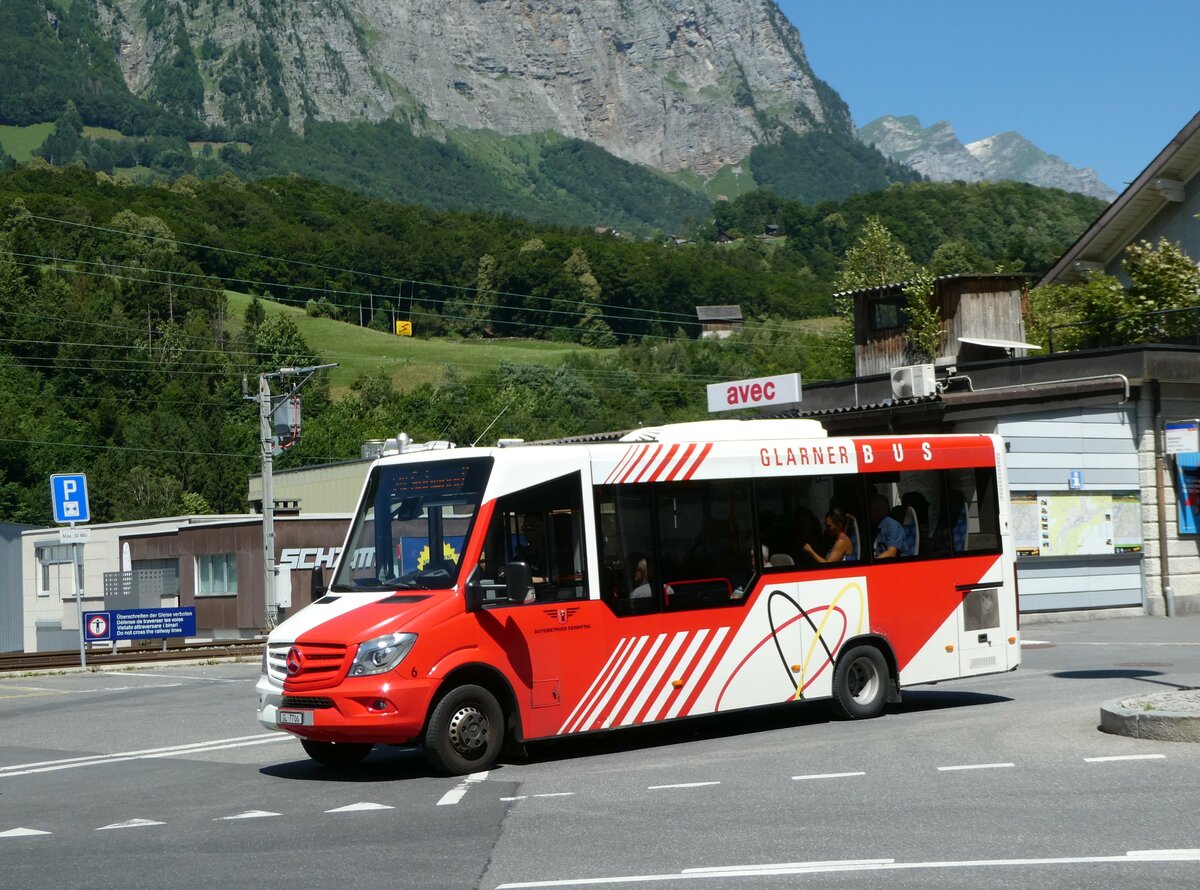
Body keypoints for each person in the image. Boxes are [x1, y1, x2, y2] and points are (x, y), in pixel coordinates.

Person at [870, 493, 910, 559]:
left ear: (879, 510)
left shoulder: (892, 526)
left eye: (871, 510)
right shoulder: (876, 525)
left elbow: (891, 553)